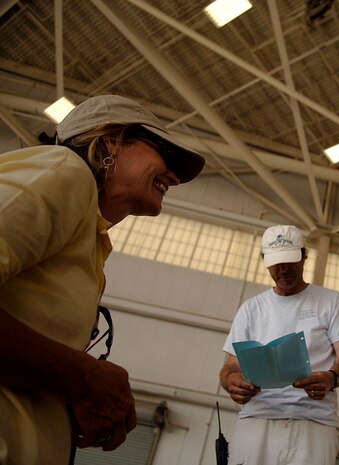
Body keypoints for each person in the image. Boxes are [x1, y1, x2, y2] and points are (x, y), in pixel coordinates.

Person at [0, 94, 205, 465]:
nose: (174, 176)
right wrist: (85, 377)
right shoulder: (64, 172)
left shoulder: (90, 239)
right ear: (110, 140)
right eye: (164, 155)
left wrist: (66, 394)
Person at [220, 225, 339, 465]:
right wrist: (232, 383)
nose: (283, 270)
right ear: (264, 261)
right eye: (276, 263)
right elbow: (229, 367)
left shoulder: (330, 301)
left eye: (290, 260)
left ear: (305, 256)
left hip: (314, 422)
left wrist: (331, 378)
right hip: (256, 418)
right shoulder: (251, 309)